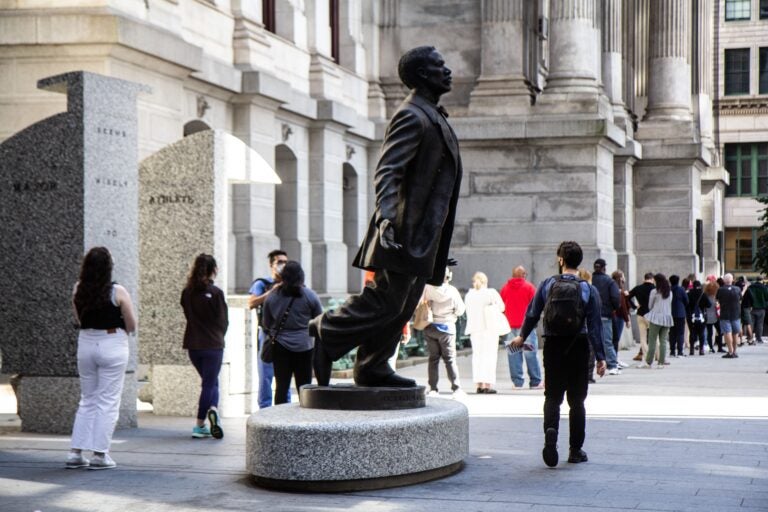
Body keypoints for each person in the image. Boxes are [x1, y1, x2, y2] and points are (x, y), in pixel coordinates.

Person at [309, 46, 462, 388]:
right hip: (403, 230)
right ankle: (326, 330)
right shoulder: (411, 115)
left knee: (404, 305)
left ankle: (372, 366)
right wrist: (387, 218)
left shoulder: (432, 114)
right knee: (385, 300)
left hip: (423, 234)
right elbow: (388, 171)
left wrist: (438, 242)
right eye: (440, 65)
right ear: (423, 74)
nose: (448, 70)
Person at [509, 241, 606, 467]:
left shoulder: (547, 284)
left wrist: (522, 336)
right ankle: (575, 450)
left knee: (552, 397)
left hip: (553, 345)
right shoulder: (587, 289)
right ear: (579, 261)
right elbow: (595, 326)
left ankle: (551, 434)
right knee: (577, 401)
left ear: (560, 260)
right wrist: (601, 358)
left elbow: (532, 313)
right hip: (579, 346)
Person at [67, 247, 137, 470]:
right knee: (108, 401)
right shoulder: (117, 291)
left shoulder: (78, 289)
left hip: (86, 342)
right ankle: (99, 455)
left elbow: (78, 318)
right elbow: (131, 324)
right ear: (109, 268)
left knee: (87, 399)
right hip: (112, 341)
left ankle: (75, 453)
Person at [262, 261, 323, 404]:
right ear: (301, 277)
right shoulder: (310, 296)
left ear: (283, 277)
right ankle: (303, 420)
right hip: (305, 346)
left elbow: (266, 324)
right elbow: (319, 320)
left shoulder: (272, 297)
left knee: (281, 387)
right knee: (304, 387)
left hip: (280, 347)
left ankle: (280, 421)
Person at [181, 254, 228, 439]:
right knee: (209, 383)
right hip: (213, 345)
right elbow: (223, 321)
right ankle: (201, 423)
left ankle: (213, 409)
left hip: (193, 345)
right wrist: (218, 336)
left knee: (211, 381)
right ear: (213, 270)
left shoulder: (187, 292)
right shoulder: (215, 293)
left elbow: (187, 313)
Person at [248, 249, 289, 408]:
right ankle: (264, 408)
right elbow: (252, 303)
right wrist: (272, 292)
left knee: (284, 374)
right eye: (279, 262)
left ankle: (284, 408)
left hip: (286, 334)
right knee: (265, 374)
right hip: (266, 334)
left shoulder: (291, 285)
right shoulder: (262, 284)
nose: (283, 265)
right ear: (271, 265)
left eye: (286, 262)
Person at [423, 267, 466, 398]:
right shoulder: (452, 291)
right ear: (448, 276)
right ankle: (456, 388)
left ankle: (433, 389)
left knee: (433, 359)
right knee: (450, 359)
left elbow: (420, 303)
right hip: (447, 328)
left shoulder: (428, 288)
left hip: (430, 327)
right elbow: (460, 311)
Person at [499, 266, 543, 389]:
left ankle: (517, 383)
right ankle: (535, 382)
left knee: (513, 355)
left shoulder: (505, 289)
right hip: (526, 330)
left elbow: (501, 307)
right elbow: (537, 307)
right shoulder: (529, 288)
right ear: (523, 275)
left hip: (510, 328)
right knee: (530, 354)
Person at [464, 271, 505, 394]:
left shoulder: (469, 295)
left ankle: (478, 385)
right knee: (490, 357)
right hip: (489, 329)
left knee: (477, 357)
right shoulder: (491, 293)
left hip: (474, 330)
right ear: (485, 281)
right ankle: (487, 385)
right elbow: (502, 307)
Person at [591, 259, 621, 374]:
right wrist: (612, 308)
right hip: (605, 314)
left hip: (590, 315)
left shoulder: (589, 280)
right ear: (604, 268)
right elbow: (615, 298)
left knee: (591, 341)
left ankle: (591, 365)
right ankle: (612, 364)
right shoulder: (609, 281)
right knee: (607, 341)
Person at [640, 274, 673, 369]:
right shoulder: (670, 292)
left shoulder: (654, 291)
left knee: (652, 340)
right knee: (663, 341)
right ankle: (661, 363)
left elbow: (650, 305)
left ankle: (649, 362)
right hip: (667, 318)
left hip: (656, 317)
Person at [628, 273, 656, 361]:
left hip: (641, 314)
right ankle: (656, 356)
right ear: (652, 279)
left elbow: (627, 297)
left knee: (643, 338)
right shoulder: (655, 289)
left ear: (644, 278)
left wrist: (634, 306)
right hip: (652, 315)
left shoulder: (638, 288)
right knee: (654, 337)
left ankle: (646, 357)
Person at [716, 273, 742, 358]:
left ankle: (730, 352)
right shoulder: (737, 289)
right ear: (732, 280)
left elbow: (717, 300)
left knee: (727, 333)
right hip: (736, 314)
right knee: (735, 333)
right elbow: (740, 299)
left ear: (724, 280)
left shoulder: (720, 290)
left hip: (725, 314)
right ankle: (735, 351)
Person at [611, 270, 631, 367]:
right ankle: (614, 359)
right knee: (616, 339)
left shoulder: (616, 288)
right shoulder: (619, 290)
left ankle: (615, 358)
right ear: (620, 278)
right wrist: (627, 320)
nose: (624, 278)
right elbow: (622, 306)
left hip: (615, 316)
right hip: (618, 317)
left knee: (614, 339)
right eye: (623, 276)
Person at [668, 275, 689, 357]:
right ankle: (680, 351)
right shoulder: (681, 289)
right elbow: (686, 301)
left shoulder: (668, 289)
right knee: (680, 333)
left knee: (672, 332)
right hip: (680, 313)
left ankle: (672, 351)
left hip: (670, 313)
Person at [686, 281, 707, 356]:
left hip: (691, 316)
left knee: (692, 332)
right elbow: (709, 304)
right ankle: (701, 349)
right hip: (702, 317)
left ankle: (691, 349)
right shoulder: (703, 294)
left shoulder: (689, 294)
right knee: (701, 333)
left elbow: (686, 303)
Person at [701, 279, 721, 353]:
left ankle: (711, 347)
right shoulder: (715, 298)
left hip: (708, 317)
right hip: (716, 316)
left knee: (710, 333)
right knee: (720, 331)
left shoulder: (705, 296)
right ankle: (720, 347)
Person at [747, 276, 768, 344]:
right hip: (761, 308)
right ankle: (758, 338)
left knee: (751, 323)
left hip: (751, 308)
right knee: (760, 324)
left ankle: (750, 338)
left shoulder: (750, 287)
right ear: (762, 280)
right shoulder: (764, 287)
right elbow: (767, 297)